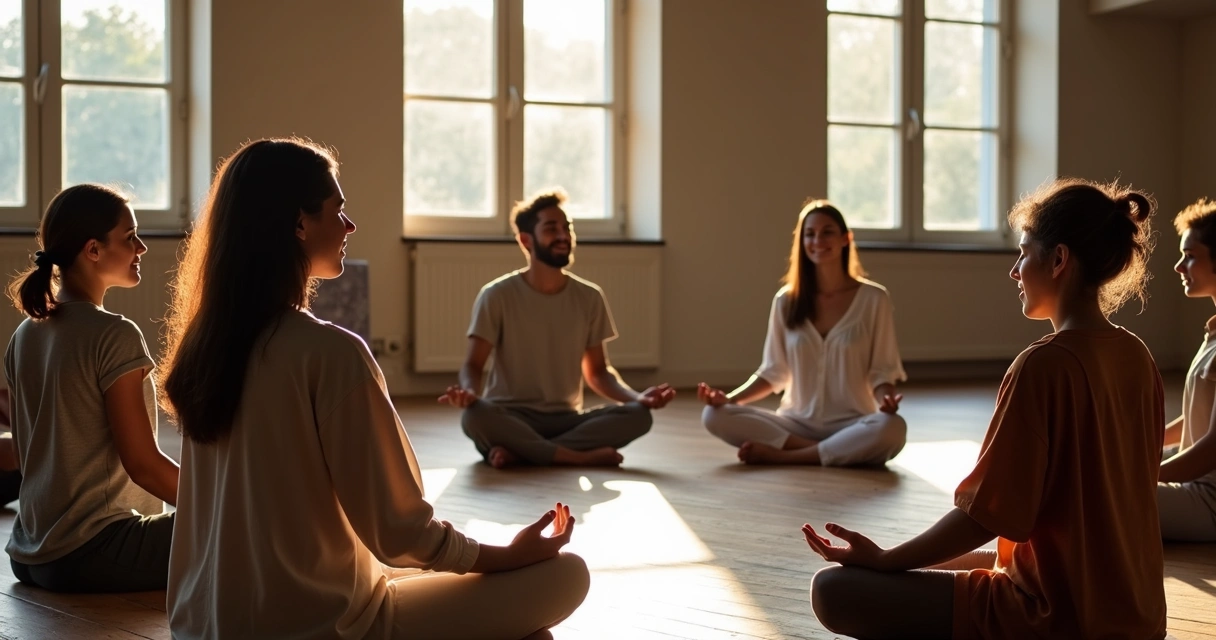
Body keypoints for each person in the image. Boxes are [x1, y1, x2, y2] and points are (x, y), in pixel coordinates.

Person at [162, 138, 589, 640]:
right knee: (566, 575)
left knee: (515, 625)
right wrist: (508, 555)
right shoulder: (330, 353)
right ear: (299, 225)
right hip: (321, 627)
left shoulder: (204, 349)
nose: (350, 226)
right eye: (338, 211)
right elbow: (400, 534)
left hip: (202, 624)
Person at [802, 179, 1167, 639]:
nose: (1014, 271)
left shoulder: (1042, 365)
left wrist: (886, 560)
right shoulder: (1138, 356)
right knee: (951, 562)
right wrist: (894, 556)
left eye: (1022, 253)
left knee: (833, 590)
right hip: (1138, 618)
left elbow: (985, 517)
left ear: (1058, 260)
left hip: (1055, 618)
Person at [3, 184, 178, 592]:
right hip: (93, 550)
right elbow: (142, 463)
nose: (142, 248)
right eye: (130, 237)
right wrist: (217, 501)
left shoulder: (25, 333)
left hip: (30, 554)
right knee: (249, 520)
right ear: (93, 250)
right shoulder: (113, 334)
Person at [441, 189, 675, 469]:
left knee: (639, 416)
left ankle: (523, 452)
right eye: (552, 228)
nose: (564, 236)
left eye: (568, 228)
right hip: (509, 416)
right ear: (526, 240)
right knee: (475, 416)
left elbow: (598, 373)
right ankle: (574, 456)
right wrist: (468, 393)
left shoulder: (590, 296)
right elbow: (473, 365)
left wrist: (639, 398)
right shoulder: (496, 295)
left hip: (565, 419)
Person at [698, 199, 907, 466]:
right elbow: (774, 372)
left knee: (893, 427)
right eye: (810, 234)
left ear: (846, 239)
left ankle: (786, 456)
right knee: (713, 415)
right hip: (795, 424)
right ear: (801, 241)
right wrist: (727, 399)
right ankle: (824, 452)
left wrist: (886, 401)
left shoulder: (874, 299)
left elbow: (882, 370)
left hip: (853, 423)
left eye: (827, 232)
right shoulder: (786, 300)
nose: (817, 240)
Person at [1160, 197, 1216, 542]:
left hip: (1208, 502)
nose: (1180, 267)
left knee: (1087, 497)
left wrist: (1135, 478)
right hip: (1196, 482)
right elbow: (1198, 418)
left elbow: (1211, 449)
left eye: (1190, 256)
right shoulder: (1213, 331)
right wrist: (1144, 444)